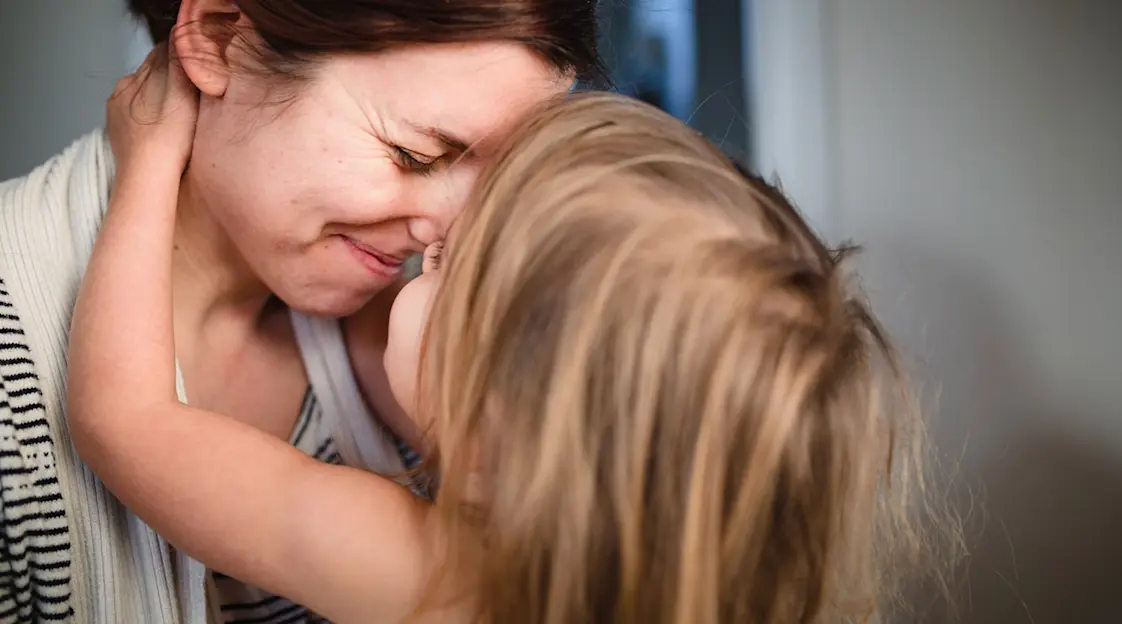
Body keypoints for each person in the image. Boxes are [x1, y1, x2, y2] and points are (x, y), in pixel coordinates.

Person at [66, 46, 945, 624]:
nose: (425, 237)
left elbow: (126, 420)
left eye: (448, 267)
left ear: (494, 426)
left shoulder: (435, 579)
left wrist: (145, 166)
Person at [0, 0, 599, 621]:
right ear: (218, 37)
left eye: (493, 186)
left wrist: (144, 163)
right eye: (413, 156)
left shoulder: (389, 360)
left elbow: (124, 419)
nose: (443, 234)